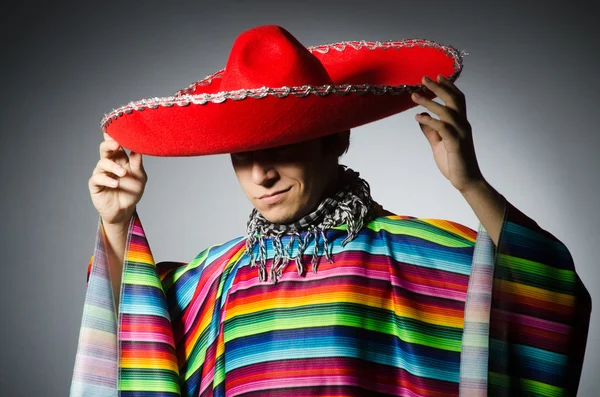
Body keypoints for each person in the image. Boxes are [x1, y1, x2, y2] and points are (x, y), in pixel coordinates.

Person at [70, 25, 591, 397]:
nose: (261, 175)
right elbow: (131, 334)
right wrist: (116, 223)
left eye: (282, 146)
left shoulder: (416, 255)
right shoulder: (215, 279)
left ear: (335, 139)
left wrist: (469, 182)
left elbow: (548, 294)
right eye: (243, 155)